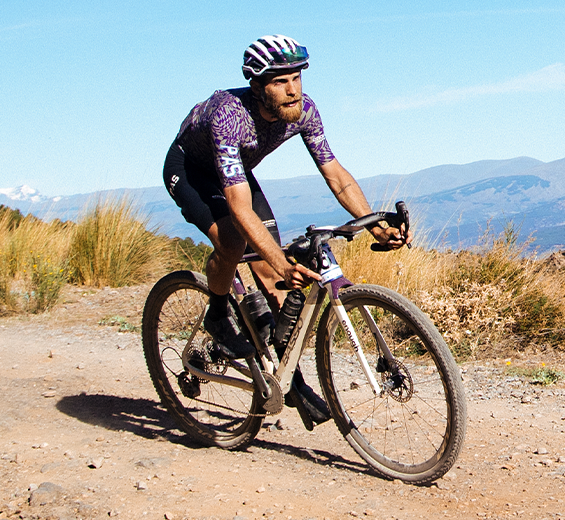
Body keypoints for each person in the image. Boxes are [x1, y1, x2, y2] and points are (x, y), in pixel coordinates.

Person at [163, 34, 410, 423]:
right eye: (280, 81)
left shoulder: (305, 111)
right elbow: (239, 207)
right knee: (235, 239)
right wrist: (279, 260)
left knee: (276, 281)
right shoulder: (229, 115)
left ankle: (288, 382)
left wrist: (376, 224)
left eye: (297, 77)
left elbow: (335, 175)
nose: (293, 89)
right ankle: (216, 313)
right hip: (191, 172)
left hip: (235, 173)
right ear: (258, 86)